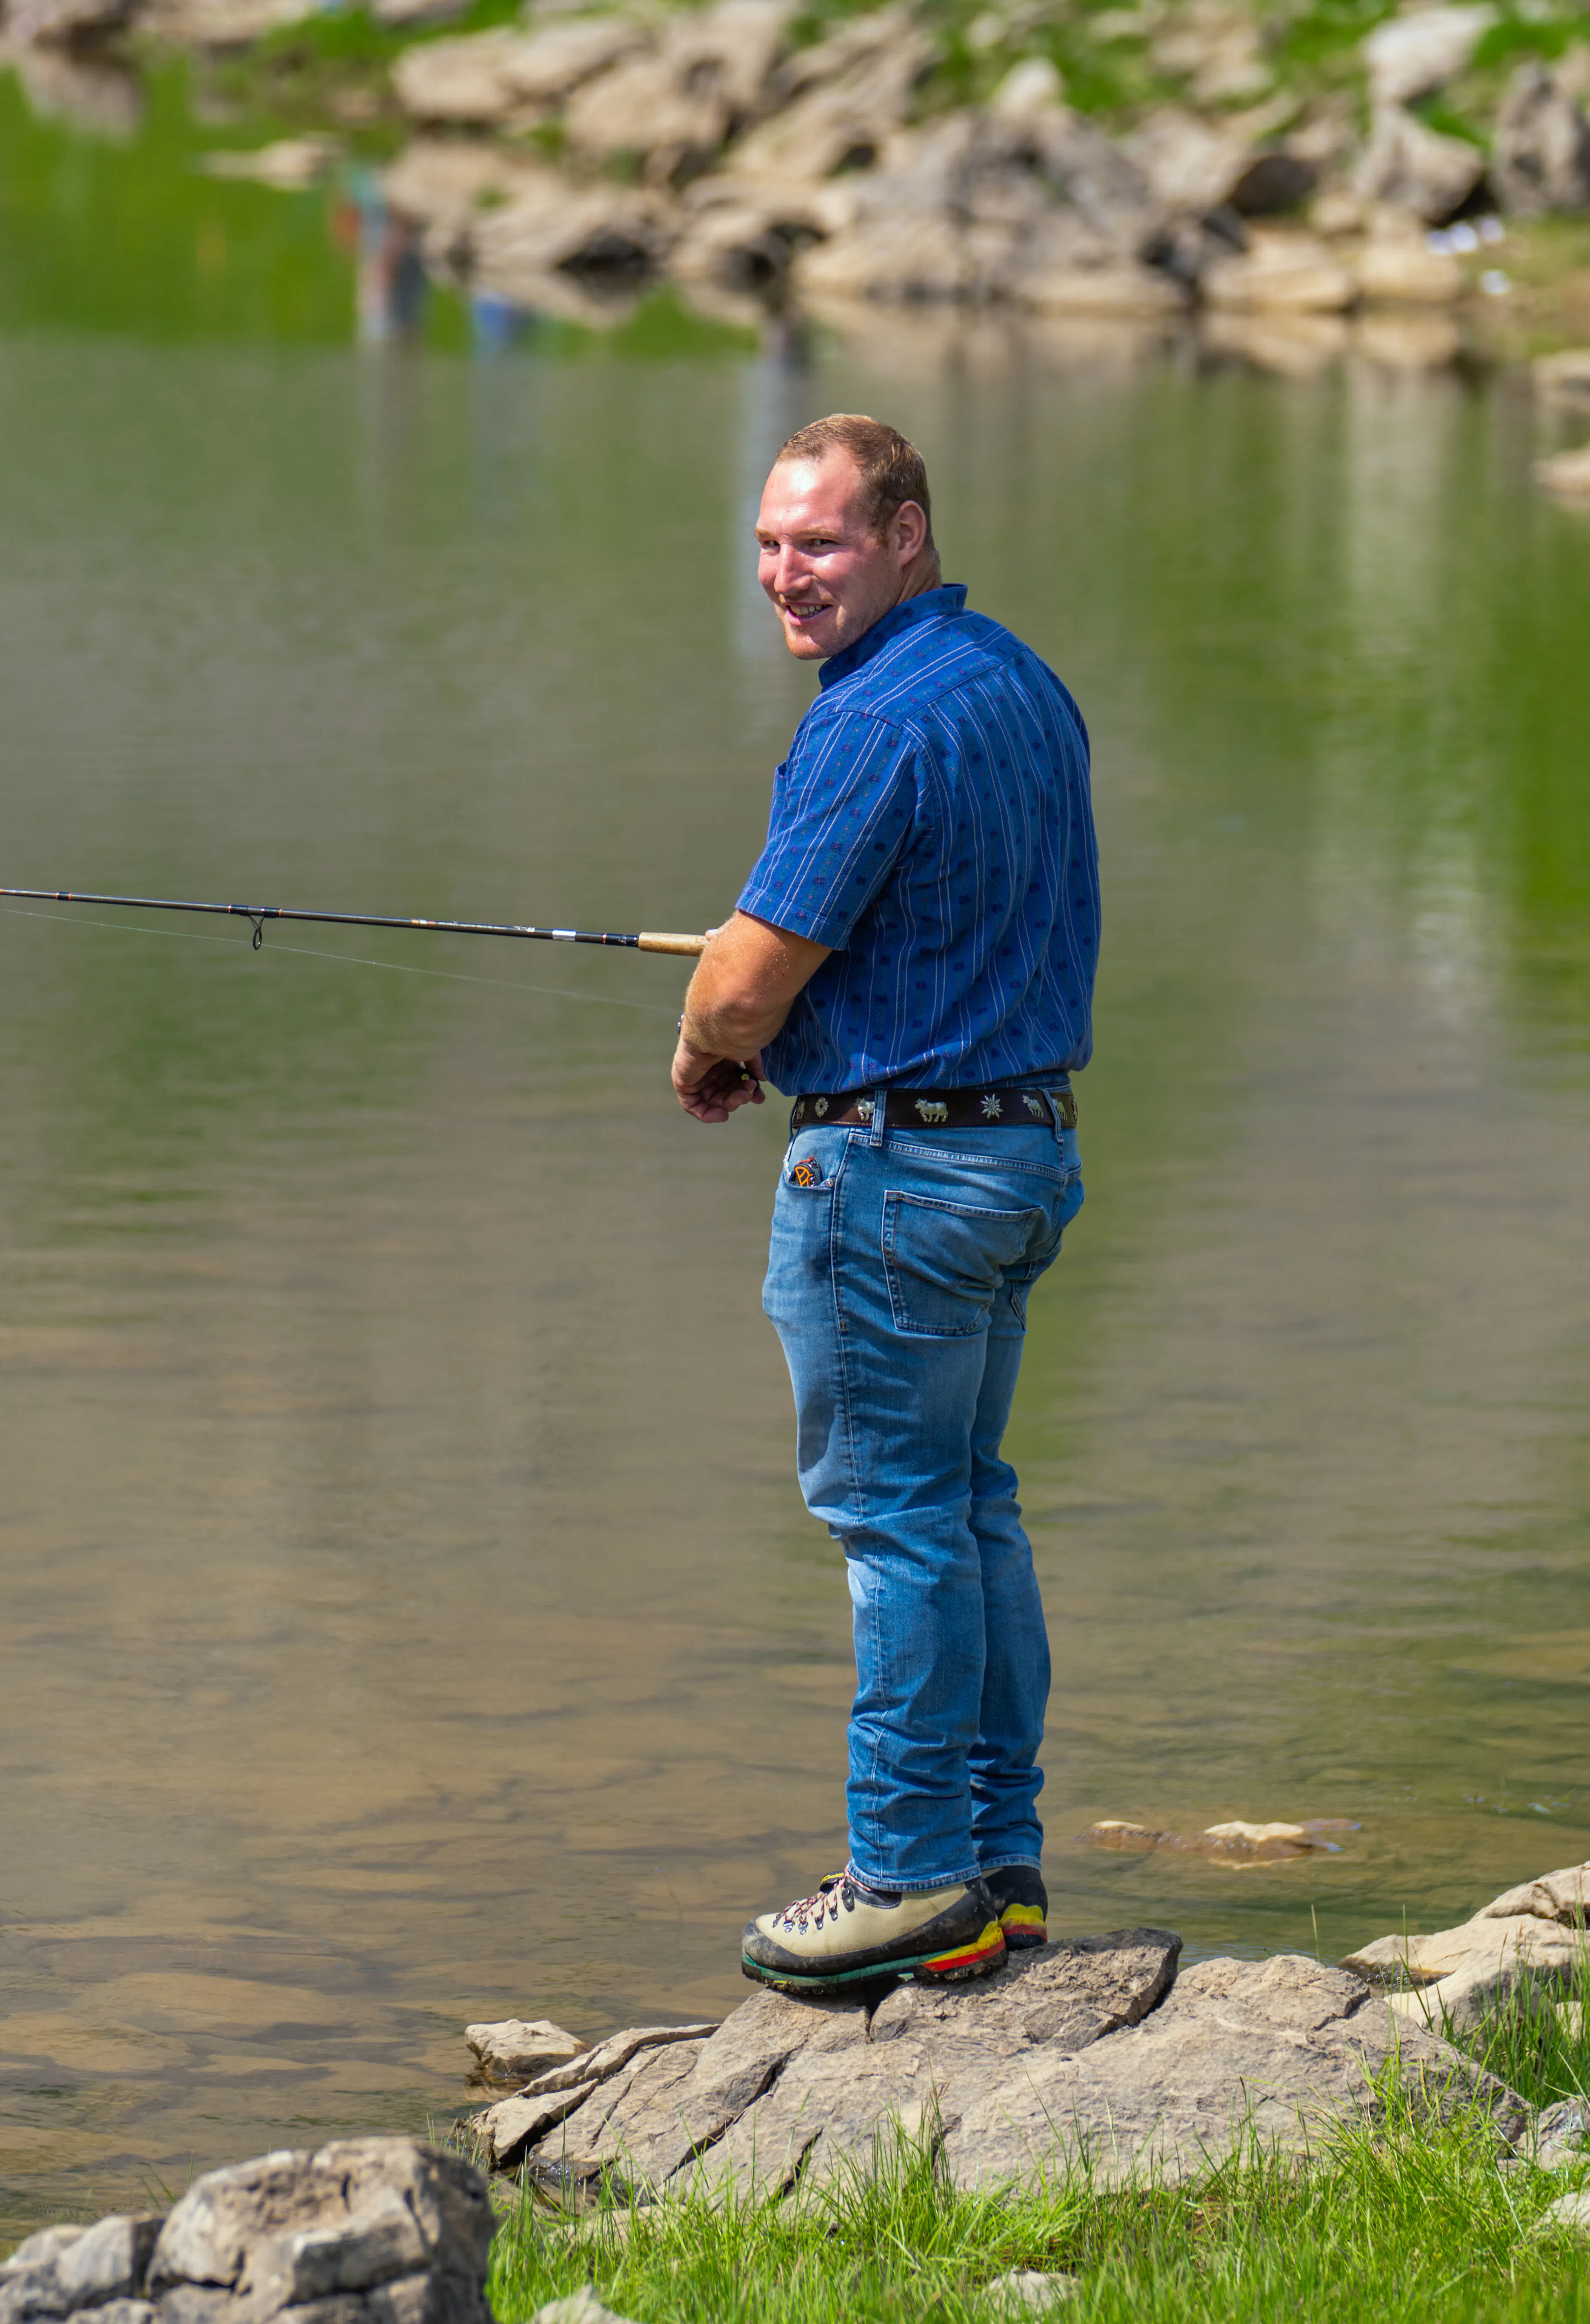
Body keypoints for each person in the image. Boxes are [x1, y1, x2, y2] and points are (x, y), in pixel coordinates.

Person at [669, 414, 1101, 1991]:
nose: (791, 574)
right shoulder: (1017, 683)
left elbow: (742, 984)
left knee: (899, 1522)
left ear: (906, 533)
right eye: (773, 546)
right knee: (971, 1505)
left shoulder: (871, 724)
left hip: (895, 1174)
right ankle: (999, 1868)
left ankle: (909, 1872)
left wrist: (718, 1035)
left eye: (824, 543)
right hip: (1023, 1154)